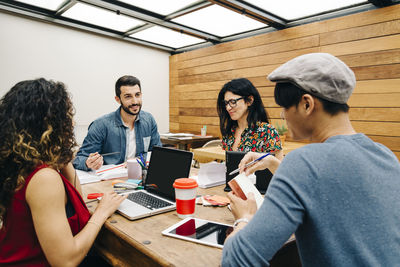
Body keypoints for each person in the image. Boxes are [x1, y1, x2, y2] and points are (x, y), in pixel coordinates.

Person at [222, 53, 400, 266]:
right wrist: (271, 162)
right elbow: (320, 186)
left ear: (307, 104)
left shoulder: (303, 162)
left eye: (285, 107)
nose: (283, 116)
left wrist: (244, 219)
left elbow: (237, 260)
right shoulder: (385, 155)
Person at [0, 78, 127, 266]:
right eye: (67, 115)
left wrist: (63, 157)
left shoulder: (23, 163)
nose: (73, 121)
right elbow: (65, 261)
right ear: (49, 124)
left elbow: (78, 204)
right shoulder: (43, 178)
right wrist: (101, 212)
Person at [73, 75, 162, 171]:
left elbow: (158, 154)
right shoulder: (100, 125)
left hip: (140, 177)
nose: (135, 101)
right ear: (118, 99)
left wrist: (140, 160)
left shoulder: (149, 120)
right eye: (128, 96)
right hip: (108, 179)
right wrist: (88, 163)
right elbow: (79, 159)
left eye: (137, 95)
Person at [217, 78, 283, 157]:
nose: (228, 108)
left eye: (233, 102)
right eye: (226, 103)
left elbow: (278, 166)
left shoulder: (266, 131)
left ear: (249, 100)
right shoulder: (229, 133)